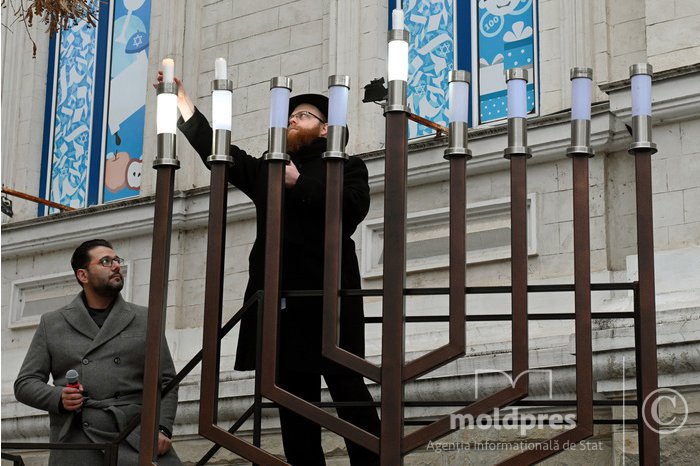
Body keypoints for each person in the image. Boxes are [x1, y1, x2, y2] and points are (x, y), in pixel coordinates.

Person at [162, 72, 381, 465]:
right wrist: (184, 103)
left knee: (351, 395)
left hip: (329, 301)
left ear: (326, 128)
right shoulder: (270, 170)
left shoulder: (348, 167)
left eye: (304, 115)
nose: (293, 120)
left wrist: (301, 184)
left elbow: (352, 209)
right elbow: (219, 151)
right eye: (290, 115)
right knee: (295, 407)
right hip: (283, 307)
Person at [14, 239, 181, 466]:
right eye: (105, 261)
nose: (115, 266)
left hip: (134, 435)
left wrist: (162, 429)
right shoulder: (52, 322)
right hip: (78, 441)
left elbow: (167, 381)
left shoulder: (144, 318)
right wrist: (59, 397)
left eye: (116, 260)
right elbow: (25, 383)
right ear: (83, 275)